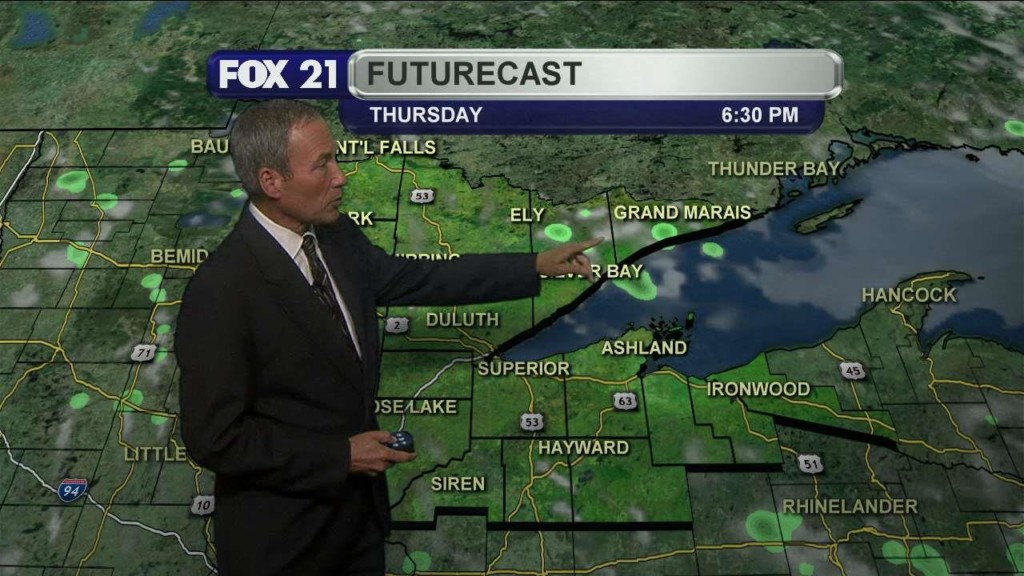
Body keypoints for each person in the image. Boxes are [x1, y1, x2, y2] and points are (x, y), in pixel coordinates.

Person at [176, 99, 601, 575]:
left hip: (359, 526)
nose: (340, 177)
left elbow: (417, 278)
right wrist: (339, 456)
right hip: (284, 544)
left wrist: (533, 265)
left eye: (336, 160)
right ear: (272, 181)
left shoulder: (334, 238)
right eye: (322, 165)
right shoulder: (222, 290)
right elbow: (216, 439)